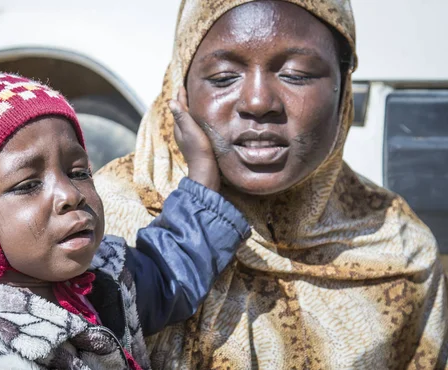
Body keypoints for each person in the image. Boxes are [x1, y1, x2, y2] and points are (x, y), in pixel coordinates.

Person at [95, 0, 448, 368]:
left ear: (344, 88)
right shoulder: (102, 229)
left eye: (297, 74)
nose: (258, 101)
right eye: (222, 77)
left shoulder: (400, 250)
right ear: (180, 83)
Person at [0, 65, 250, 369]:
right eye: (26, 185)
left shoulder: (109, 282)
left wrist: (202, 172)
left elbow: (170, 270)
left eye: (78, 171)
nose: (70, 195)